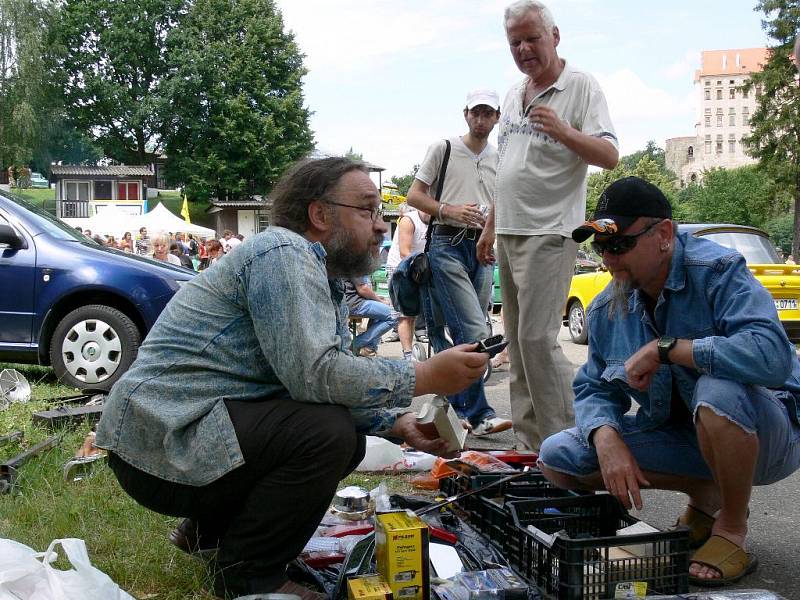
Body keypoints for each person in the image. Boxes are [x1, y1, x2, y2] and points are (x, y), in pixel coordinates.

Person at [94, 157, 487, 598]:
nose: (380, 226)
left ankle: (208, 534)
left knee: (339, 433)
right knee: (328, 435)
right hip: (163, 444)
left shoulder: (308, 266)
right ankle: (248, 575)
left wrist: (395, 424)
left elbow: (310, 380)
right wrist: (424, 375)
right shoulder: (283, 254)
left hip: (167, 439)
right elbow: (315, 376)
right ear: (319, 214)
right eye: (367, 209)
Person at [538, 176, 800, 587]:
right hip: (691, 436)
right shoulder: (610, 303)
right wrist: (606, 438)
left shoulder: (717, 270)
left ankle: (731, 527)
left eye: (619, 244)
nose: (608, 257)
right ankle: (708, 498)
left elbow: (772, 355)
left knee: (717, 388)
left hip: (771, 434)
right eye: (600, 245)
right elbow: (592, 387)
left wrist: (670, 348)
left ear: (663, 234)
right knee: (560, 456)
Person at [476, 0, 619, 451]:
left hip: (552, 231)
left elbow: (609, 154)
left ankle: (570, 444)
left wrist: (562, 130)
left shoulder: (580, 87)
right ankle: (530, 445)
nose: (523, 49)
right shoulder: (513, 94)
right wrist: (490, 226)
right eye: (514, 42)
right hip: (511, 231)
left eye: (531, 38)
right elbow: (505, 170)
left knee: (538, 340)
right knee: (517, 346)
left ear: (554, 36)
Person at [407, 89, 512, 437]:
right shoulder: (445, 148)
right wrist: (449, 209)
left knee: (459, 330)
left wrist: (492, 234)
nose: (481, 120)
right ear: (465, 114)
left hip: (483, 246)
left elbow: (503, 202)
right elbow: (414, 195)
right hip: (446, 243)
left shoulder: (502, 156)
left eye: (488, 114)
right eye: (476, 113)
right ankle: (480, 413)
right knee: (475, 331)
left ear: (497, 117)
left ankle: (452, 407)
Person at [385, 203, 429, 359]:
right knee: (405, 314)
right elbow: (405, 252)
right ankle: (408, 355)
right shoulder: (409, 220)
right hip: (400, 269)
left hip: (418, 268)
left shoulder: (435, 222)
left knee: (422, 312)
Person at [344, 276, 398, 357]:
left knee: (379, 314)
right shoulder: (355, 264)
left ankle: (369, 349)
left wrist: (377, 298)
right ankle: (355, 344)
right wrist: (381, 301)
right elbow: (362, 289)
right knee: (395, 315)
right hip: (354, 304)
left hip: (354, 302)